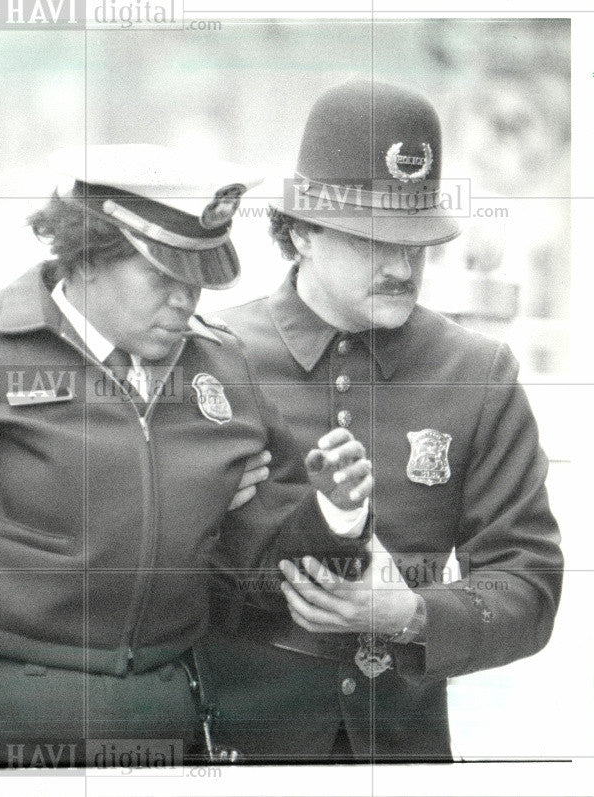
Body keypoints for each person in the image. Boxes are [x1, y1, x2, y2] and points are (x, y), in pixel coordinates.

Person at [0, 144, 378, 767]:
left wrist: (336, 513)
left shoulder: (223, 372)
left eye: (197, 281)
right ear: (85, 256)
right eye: (162, 277)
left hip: (159, 735)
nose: (184, 302)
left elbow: (254, 558)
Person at [200, 79, 563, 762]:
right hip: (235, 749)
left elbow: (530, 583)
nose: (402, 264)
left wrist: (410, 613)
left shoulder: (477, 374)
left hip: (402, 753)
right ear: (301, 230)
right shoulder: (212, 359)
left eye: (417, 241)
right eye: (372, 240)